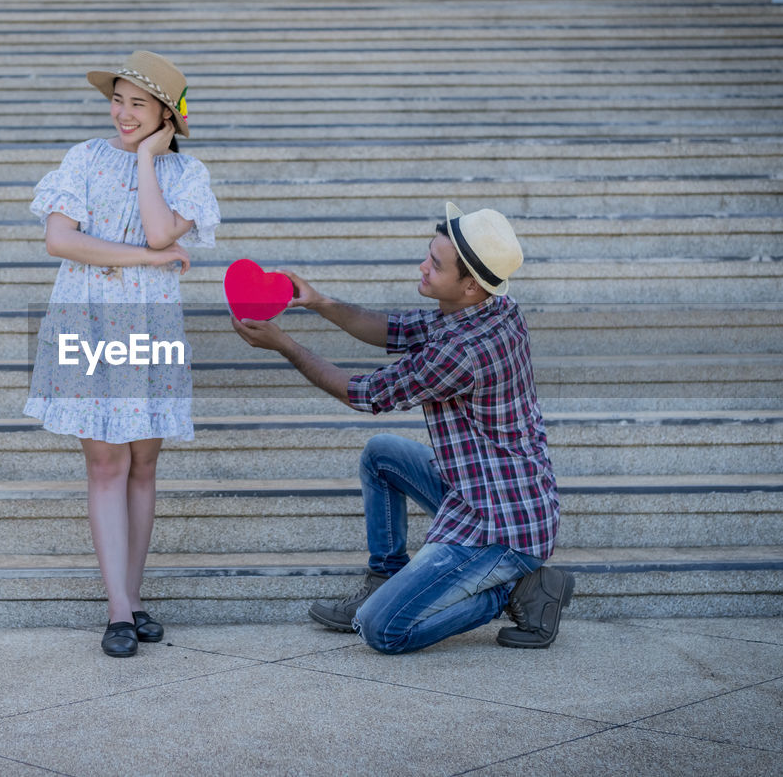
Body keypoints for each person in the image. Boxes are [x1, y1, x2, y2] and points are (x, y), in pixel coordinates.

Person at [231, 202, 573, 654]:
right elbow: (392, 328)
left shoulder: (463, 351)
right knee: (382, 454)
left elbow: (366, 393)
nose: (423, 266)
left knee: (382, 629)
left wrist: (285, 346)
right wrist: (319, 302)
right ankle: (384, 576)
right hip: (481, 491)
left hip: (501, 528)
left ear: (470, 284)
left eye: (435, 264)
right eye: (428, 255)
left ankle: (511, 591)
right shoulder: (489, 308)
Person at [24, 51, 220, 657]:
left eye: (140, 104)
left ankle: (133, 598)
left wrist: (144, 160)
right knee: (105, 463)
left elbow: (162, 232)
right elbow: (62, 240)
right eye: (119, 99)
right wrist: (145, 260)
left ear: (166, 114)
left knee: (143, 463)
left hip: (150, 326)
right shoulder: (82, 158)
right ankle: (116, 610)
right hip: (86, 320)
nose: (124, 112)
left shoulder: (188, 176)